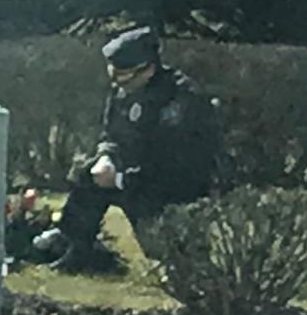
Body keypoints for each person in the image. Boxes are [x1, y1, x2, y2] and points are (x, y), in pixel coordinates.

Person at [36, 26, 222, 273]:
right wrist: (106, 157)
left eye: (125, 75)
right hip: (130, 178)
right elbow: (112, 134)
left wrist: (123, 179)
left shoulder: (180, 98)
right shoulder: (124, 92)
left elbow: (177, 164)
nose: (118, 82)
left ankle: (190, 268)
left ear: (148, 68)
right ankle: (77, 250)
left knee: (172, 253)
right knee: (88, 177)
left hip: (167, 189)